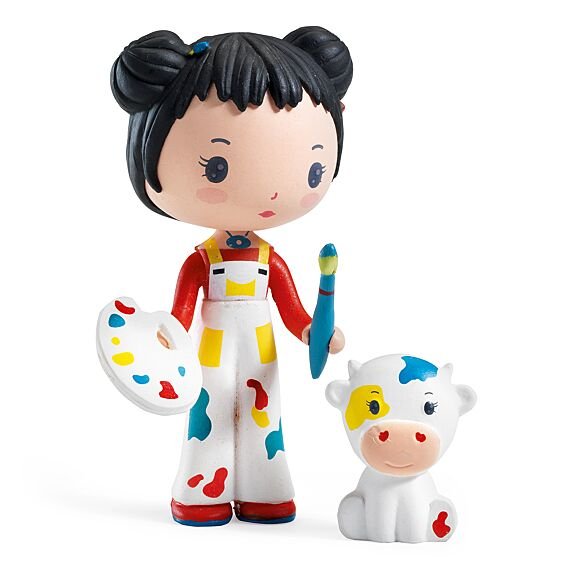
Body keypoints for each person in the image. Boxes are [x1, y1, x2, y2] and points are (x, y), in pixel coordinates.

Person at [110, 26, 353, 526]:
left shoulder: (270, 260)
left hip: (261, 348)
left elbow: (292, 310)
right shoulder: (201, 260)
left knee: (266, 415)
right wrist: (167, 336)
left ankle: (267, 487)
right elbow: (180, 312)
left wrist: (314, 331)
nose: (269, 193)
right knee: (209, 409)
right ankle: (201, 489)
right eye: (216, 166)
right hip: (212, 348)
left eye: (312, 168)